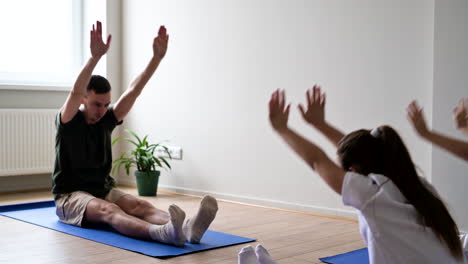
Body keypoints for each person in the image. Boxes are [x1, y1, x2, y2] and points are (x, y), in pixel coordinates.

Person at [52, 21, 218, 246]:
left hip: (101, 189)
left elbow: (134, 90)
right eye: (96, 104)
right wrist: (95, 58)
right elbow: (75, 90)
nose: (102, 110)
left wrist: (156, 59)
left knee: (139, 206)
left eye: (106, 104)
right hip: (70, 197)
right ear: (84, 99)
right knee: (109, 210)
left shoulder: (107, 119)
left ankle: (188, 229)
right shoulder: (69, 120)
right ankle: (162, 233)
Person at [268, 85, 464, 263]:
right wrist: (320, 124)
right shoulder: (419, 185)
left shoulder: (373, 195)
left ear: (353, 171)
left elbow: (317, 160)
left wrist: (281, 129)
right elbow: (359, 152)